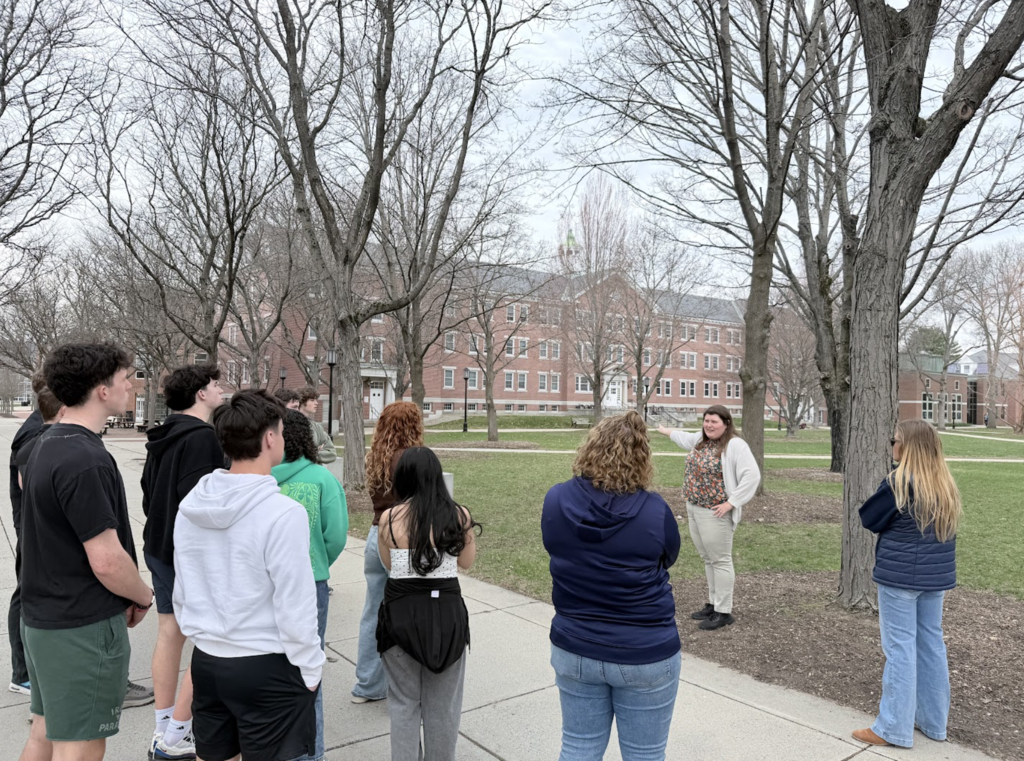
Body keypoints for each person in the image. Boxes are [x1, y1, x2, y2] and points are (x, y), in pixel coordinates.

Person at [18, 343, 155, 761]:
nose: (131, 385)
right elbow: (108, 560)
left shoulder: (42, 444)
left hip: (43, 619)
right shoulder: (85, 458)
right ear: (100, 389)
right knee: (81, 745)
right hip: (80, 627)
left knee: (44, 732)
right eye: (125, 377)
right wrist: (142, 594)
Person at [173, 389, 322, 761]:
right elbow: (296, 602)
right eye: (282, 432)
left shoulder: (191, 506)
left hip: (207, 660)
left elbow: (183, 587)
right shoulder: (283, 513)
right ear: (269, 438)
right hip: (265, 664)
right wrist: (311, 667)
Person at [543, 410, 681, 761]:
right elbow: (667, 556)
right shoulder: (655, 510)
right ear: (642, 457)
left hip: (576, 647)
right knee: (645, 755)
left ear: (590, 447)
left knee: (578, 746)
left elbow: (555, 544)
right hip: (644, 651)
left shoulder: (556, 499)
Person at [853, 420, 962, 748]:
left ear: (907, 447)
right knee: (931, 644)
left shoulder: (899, 481)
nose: (892, 446)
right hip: (935, 579)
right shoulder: (945, 483)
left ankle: (892, 728)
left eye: (894, 441)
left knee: (899, 648)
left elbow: (868, 518)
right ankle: (932, 722)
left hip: (900, 579)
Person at [141, 364, 226, 760]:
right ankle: (177, 732)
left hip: (157, 545)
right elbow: (199, 502)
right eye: (214, 384)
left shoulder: (163, 434)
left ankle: (163, 726)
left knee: (169, 633)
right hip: (186, 553)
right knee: (206, 637)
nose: (220, 388)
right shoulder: (203, 438)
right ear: (200, 394)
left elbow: (147, 491)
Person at [376, 446, 478, 761]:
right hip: (445, 617)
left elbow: (390, 566)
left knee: (403, 704)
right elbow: (467, 563)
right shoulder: (458, 516)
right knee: (443, 707)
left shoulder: (389, 518)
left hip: (400, 616)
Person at [272, 410, 349, 761]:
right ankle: (312, 753)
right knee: (309, 669)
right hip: (311, 582)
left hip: (268, 581)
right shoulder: (322, 478)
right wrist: (317, 562)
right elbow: (335, 535)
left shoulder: (262, 476)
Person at [657, 405, 760, 630]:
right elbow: (683, 438)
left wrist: (731, 503)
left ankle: (723, 611)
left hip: (715, 512)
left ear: (726, 424)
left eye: (714, 422)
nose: (709, 425)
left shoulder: (735, 445)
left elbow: (752, 475)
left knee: (720, 560)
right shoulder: (701, 440)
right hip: (695, 507)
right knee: (708, 558)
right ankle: (713, 603)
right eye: (706, 421)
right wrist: (665, 431)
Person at [351, 401, 424, 704]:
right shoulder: (413, 459)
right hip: (403, 537)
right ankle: (405, 689)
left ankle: (367, 685)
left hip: (374, 535)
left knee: (373, 613)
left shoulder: (375, 457)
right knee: (409, 613)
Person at [8, 370, 47, 696]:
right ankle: (22, 673)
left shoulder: (38, 427)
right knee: (26, 596)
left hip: (33, 528)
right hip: (33, 530)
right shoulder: (33, 434)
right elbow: (32, 487)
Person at [297, 386, 337, 464]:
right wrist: (316, 450)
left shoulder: (317, 427)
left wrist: (313, 454)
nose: (316, 403)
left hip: (315, 473)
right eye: (312, 400)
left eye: (316, 400)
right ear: (301, 402)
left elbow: (332, 453)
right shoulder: (290, 425)